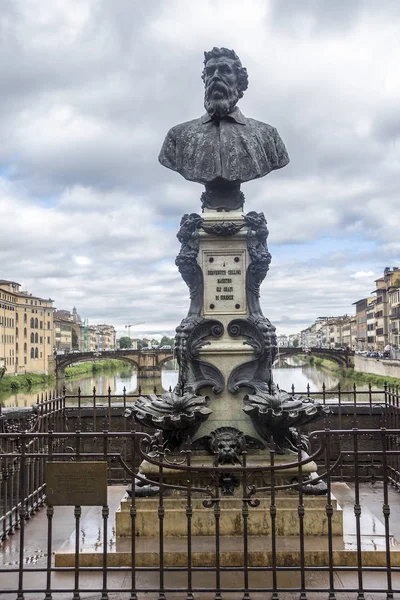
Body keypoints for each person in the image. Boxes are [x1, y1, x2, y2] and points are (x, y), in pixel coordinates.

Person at [159, 47, 289, 210]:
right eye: (210, 72)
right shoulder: (178, 136)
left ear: (239, 81)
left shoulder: (267, 136)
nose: (215, 77)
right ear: (204, 79)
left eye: (224, 71)